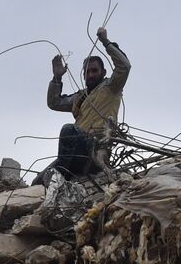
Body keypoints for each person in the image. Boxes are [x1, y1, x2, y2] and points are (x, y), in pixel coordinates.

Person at [43, 26, 131, 180]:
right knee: (39, 180)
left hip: (95, 150)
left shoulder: (112, 87)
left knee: (68, 130)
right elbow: (54, 103)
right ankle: (60, 177)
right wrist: (57, 78)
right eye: (87, 72)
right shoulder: (80, 97)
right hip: (75, 151)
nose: (90, 75)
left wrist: (106, 42)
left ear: (103, 72)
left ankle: (60, 178)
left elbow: (124, 66)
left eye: (94, 70)